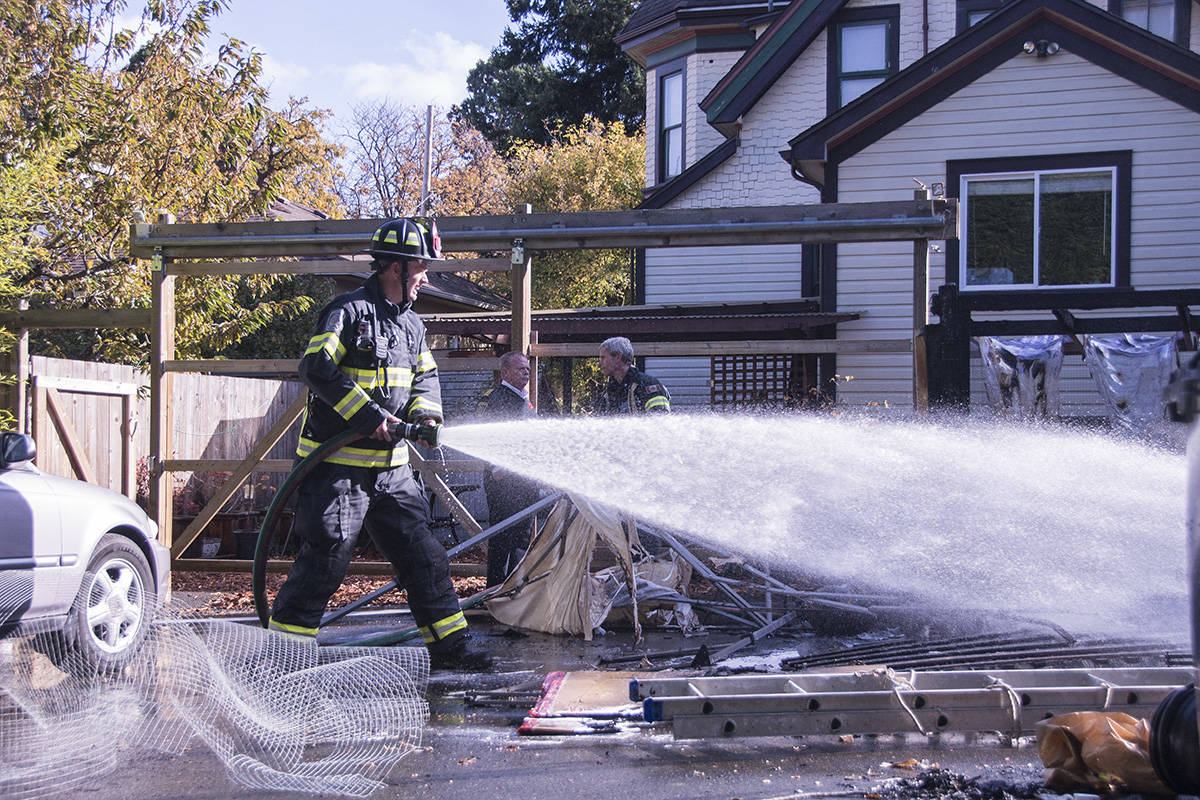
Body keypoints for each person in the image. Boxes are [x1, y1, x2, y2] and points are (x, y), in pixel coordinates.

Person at [270, 217, 491, 670]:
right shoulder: (346, 313)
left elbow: (424, 378)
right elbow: (315, 367)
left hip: (392, 472)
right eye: (420, 268)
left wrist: (425, 416)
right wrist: (369, 417)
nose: (425, 277)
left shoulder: (412, 327)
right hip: (336, 470)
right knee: (325, 561)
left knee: (426, 558)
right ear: (395, 268)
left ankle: (452, 649)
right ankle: (285, 660)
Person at [476, 351, 539, 586]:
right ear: (505, 372)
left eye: (528, 369)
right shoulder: (494, 399)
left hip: (525, 481)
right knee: (502, 536)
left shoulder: (524, 400)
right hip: (502, 482)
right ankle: (495, 590)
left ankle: (515, 588)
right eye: (521, 368)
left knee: (522, 537)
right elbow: (483, 436)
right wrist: (496, 466)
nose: (526, 372)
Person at [594, 336, 672, 414]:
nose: (599, 364)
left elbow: (660, 420)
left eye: (603, 358)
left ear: (618, 357)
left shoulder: (649, 386)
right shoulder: (607, 393)